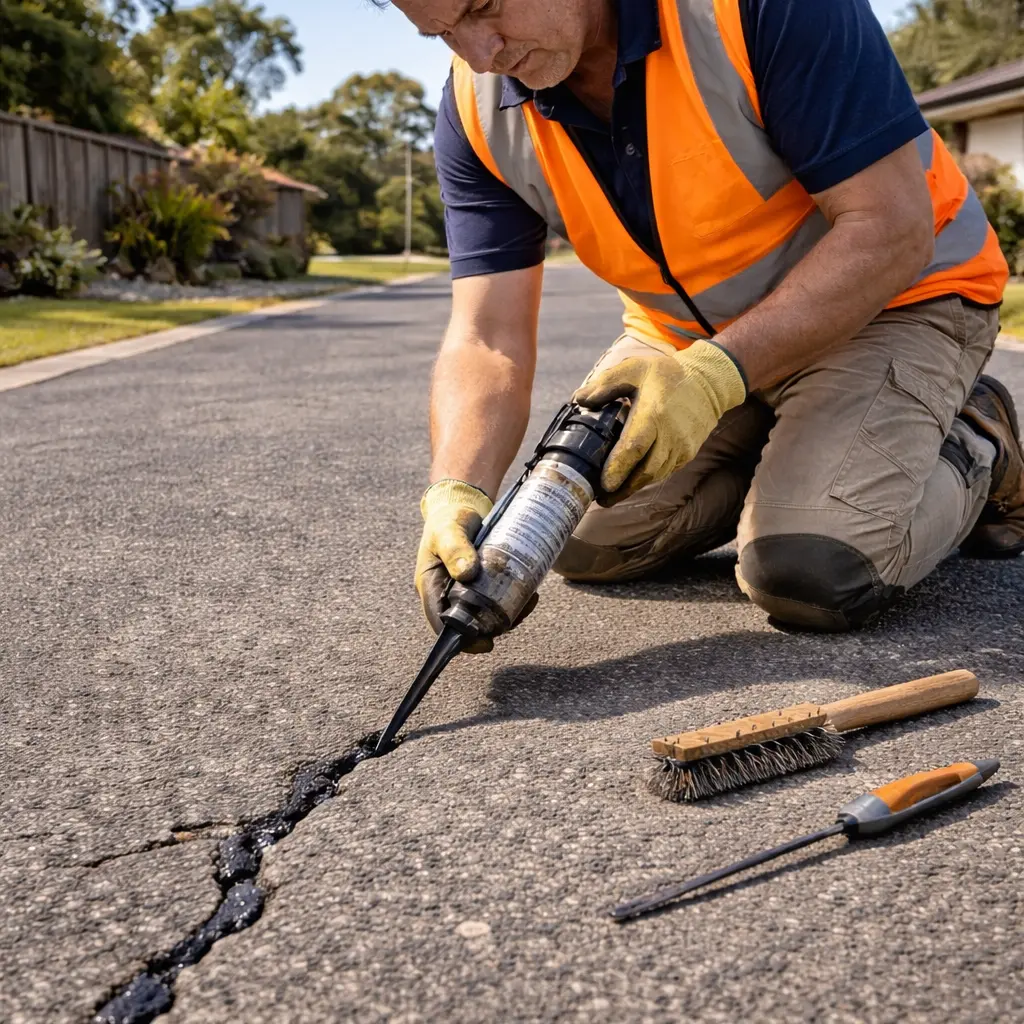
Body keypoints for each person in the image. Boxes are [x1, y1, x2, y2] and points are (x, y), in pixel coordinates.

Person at [398, 0, 1023, 645]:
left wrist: (715, 377)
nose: (481, 52)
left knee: (811, 570)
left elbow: (891, 230)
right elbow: (486, 333)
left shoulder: (758, 10)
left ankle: (977, 441)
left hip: (896, 300)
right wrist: (457, 490)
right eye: (441, 32)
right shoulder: (475, 107)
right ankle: (802, 445)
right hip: (691, 341)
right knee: (573, 539)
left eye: (483, 7)